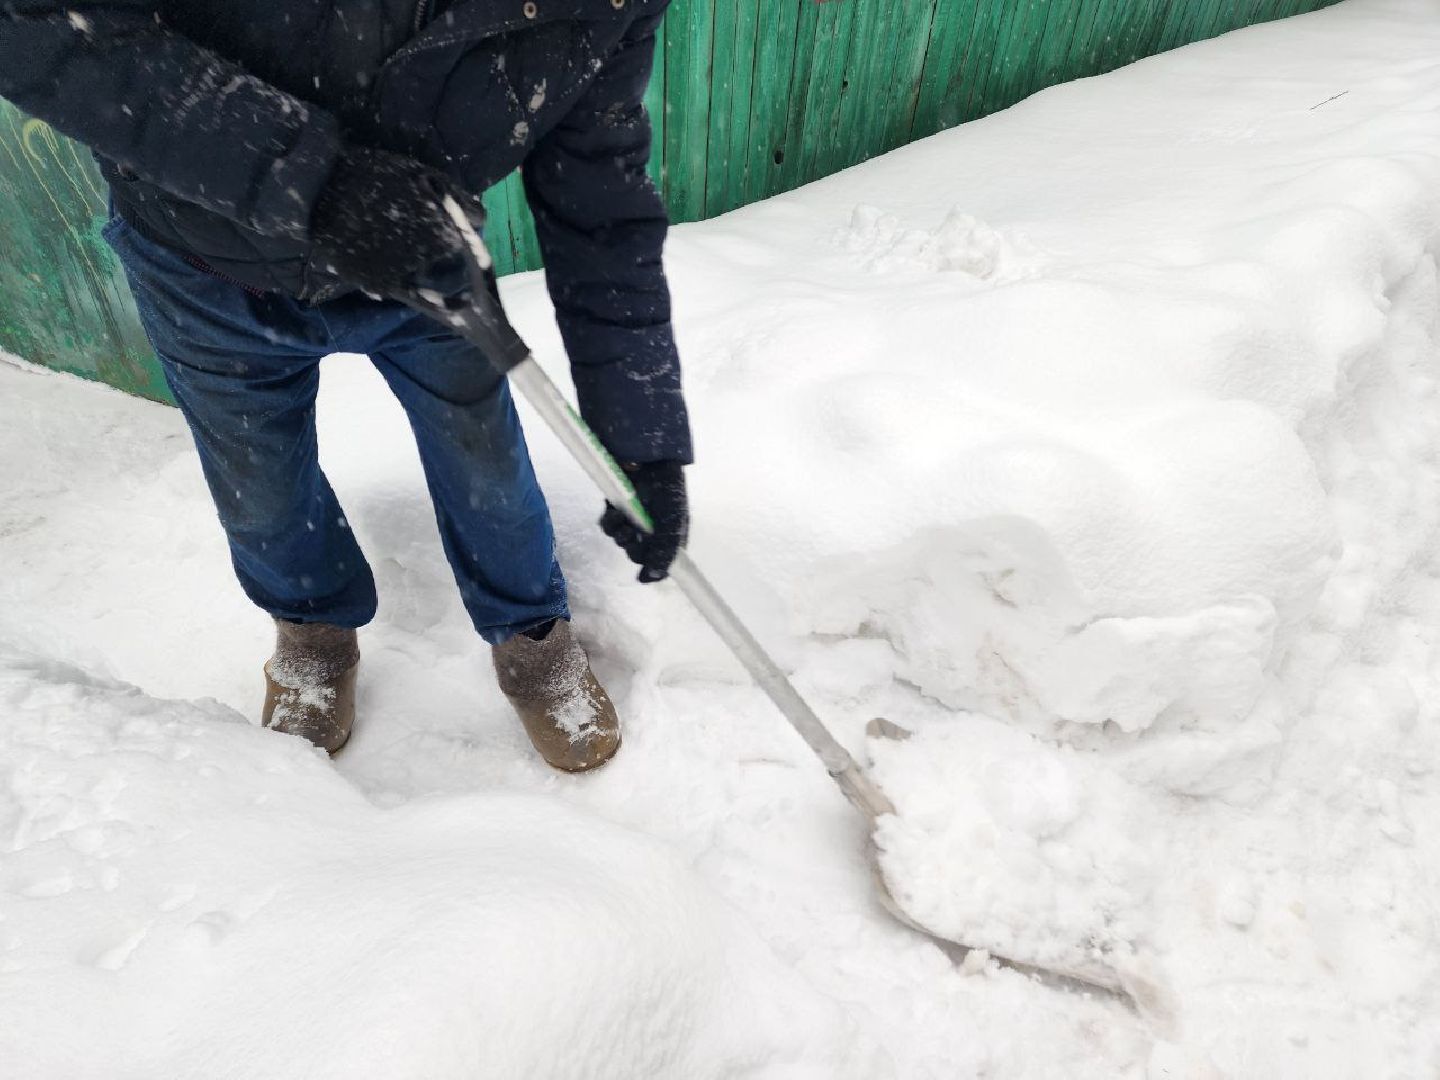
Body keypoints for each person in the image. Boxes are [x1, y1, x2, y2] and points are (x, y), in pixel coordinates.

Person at [0, 0, 692, 771]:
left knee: (485, 459)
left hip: (423, 261)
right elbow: (39, 25)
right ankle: (312, 632)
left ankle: (533, 639)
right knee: (259, 482)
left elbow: (601, 209)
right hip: (206, 265)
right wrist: (317, 183)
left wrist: (641, 440)